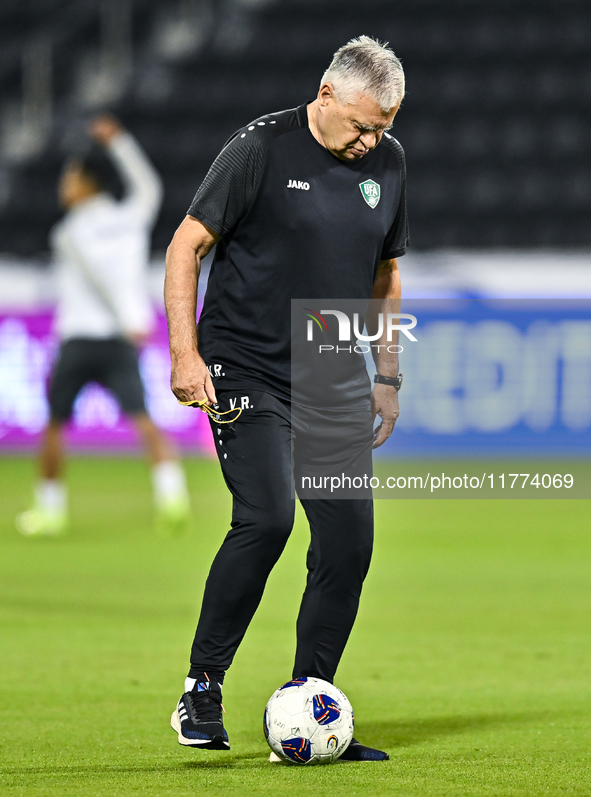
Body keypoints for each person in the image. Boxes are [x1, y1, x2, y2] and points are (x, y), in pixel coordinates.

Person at [165, 36, 408, 760]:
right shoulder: (260, 148)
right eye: (362, 125)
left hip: (329, 375)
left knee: (347, 545)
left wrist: (385, 373)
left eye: (384, 129)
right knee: (266, 518)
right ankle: (200, 689)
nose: (370, 142)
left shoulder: (388, 164)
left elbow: (383, 276)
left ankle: (311, 701)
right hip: (247, 369)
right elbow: (187, 245)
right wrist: (184, 351)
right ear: (326, 95)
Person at [16, 115, 190, 537]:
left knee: (55, 425)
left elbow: (100, 276)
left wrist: (129, 315)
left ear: (86, 185)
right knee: (143, 421)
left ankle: (50, 511)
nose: (63, 186)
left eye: (69, 178)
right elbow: (150, 187)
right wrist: (121, 143)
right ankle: (173, 496)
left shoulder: (68, 231)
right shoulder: (131, 216)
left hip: (79, 339)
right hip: (118, 340)